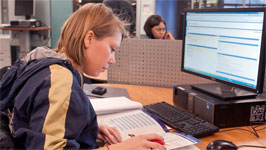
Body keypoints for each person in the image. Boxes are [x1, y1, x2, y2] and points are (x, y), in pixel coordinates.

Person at [0, 3, 165, 150]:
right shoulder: (59, 80)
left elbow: (38, 117)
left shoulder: (41, 59)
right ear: (89, 38)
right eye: (112, 49)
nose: (113, 60)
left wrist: (86, 127)